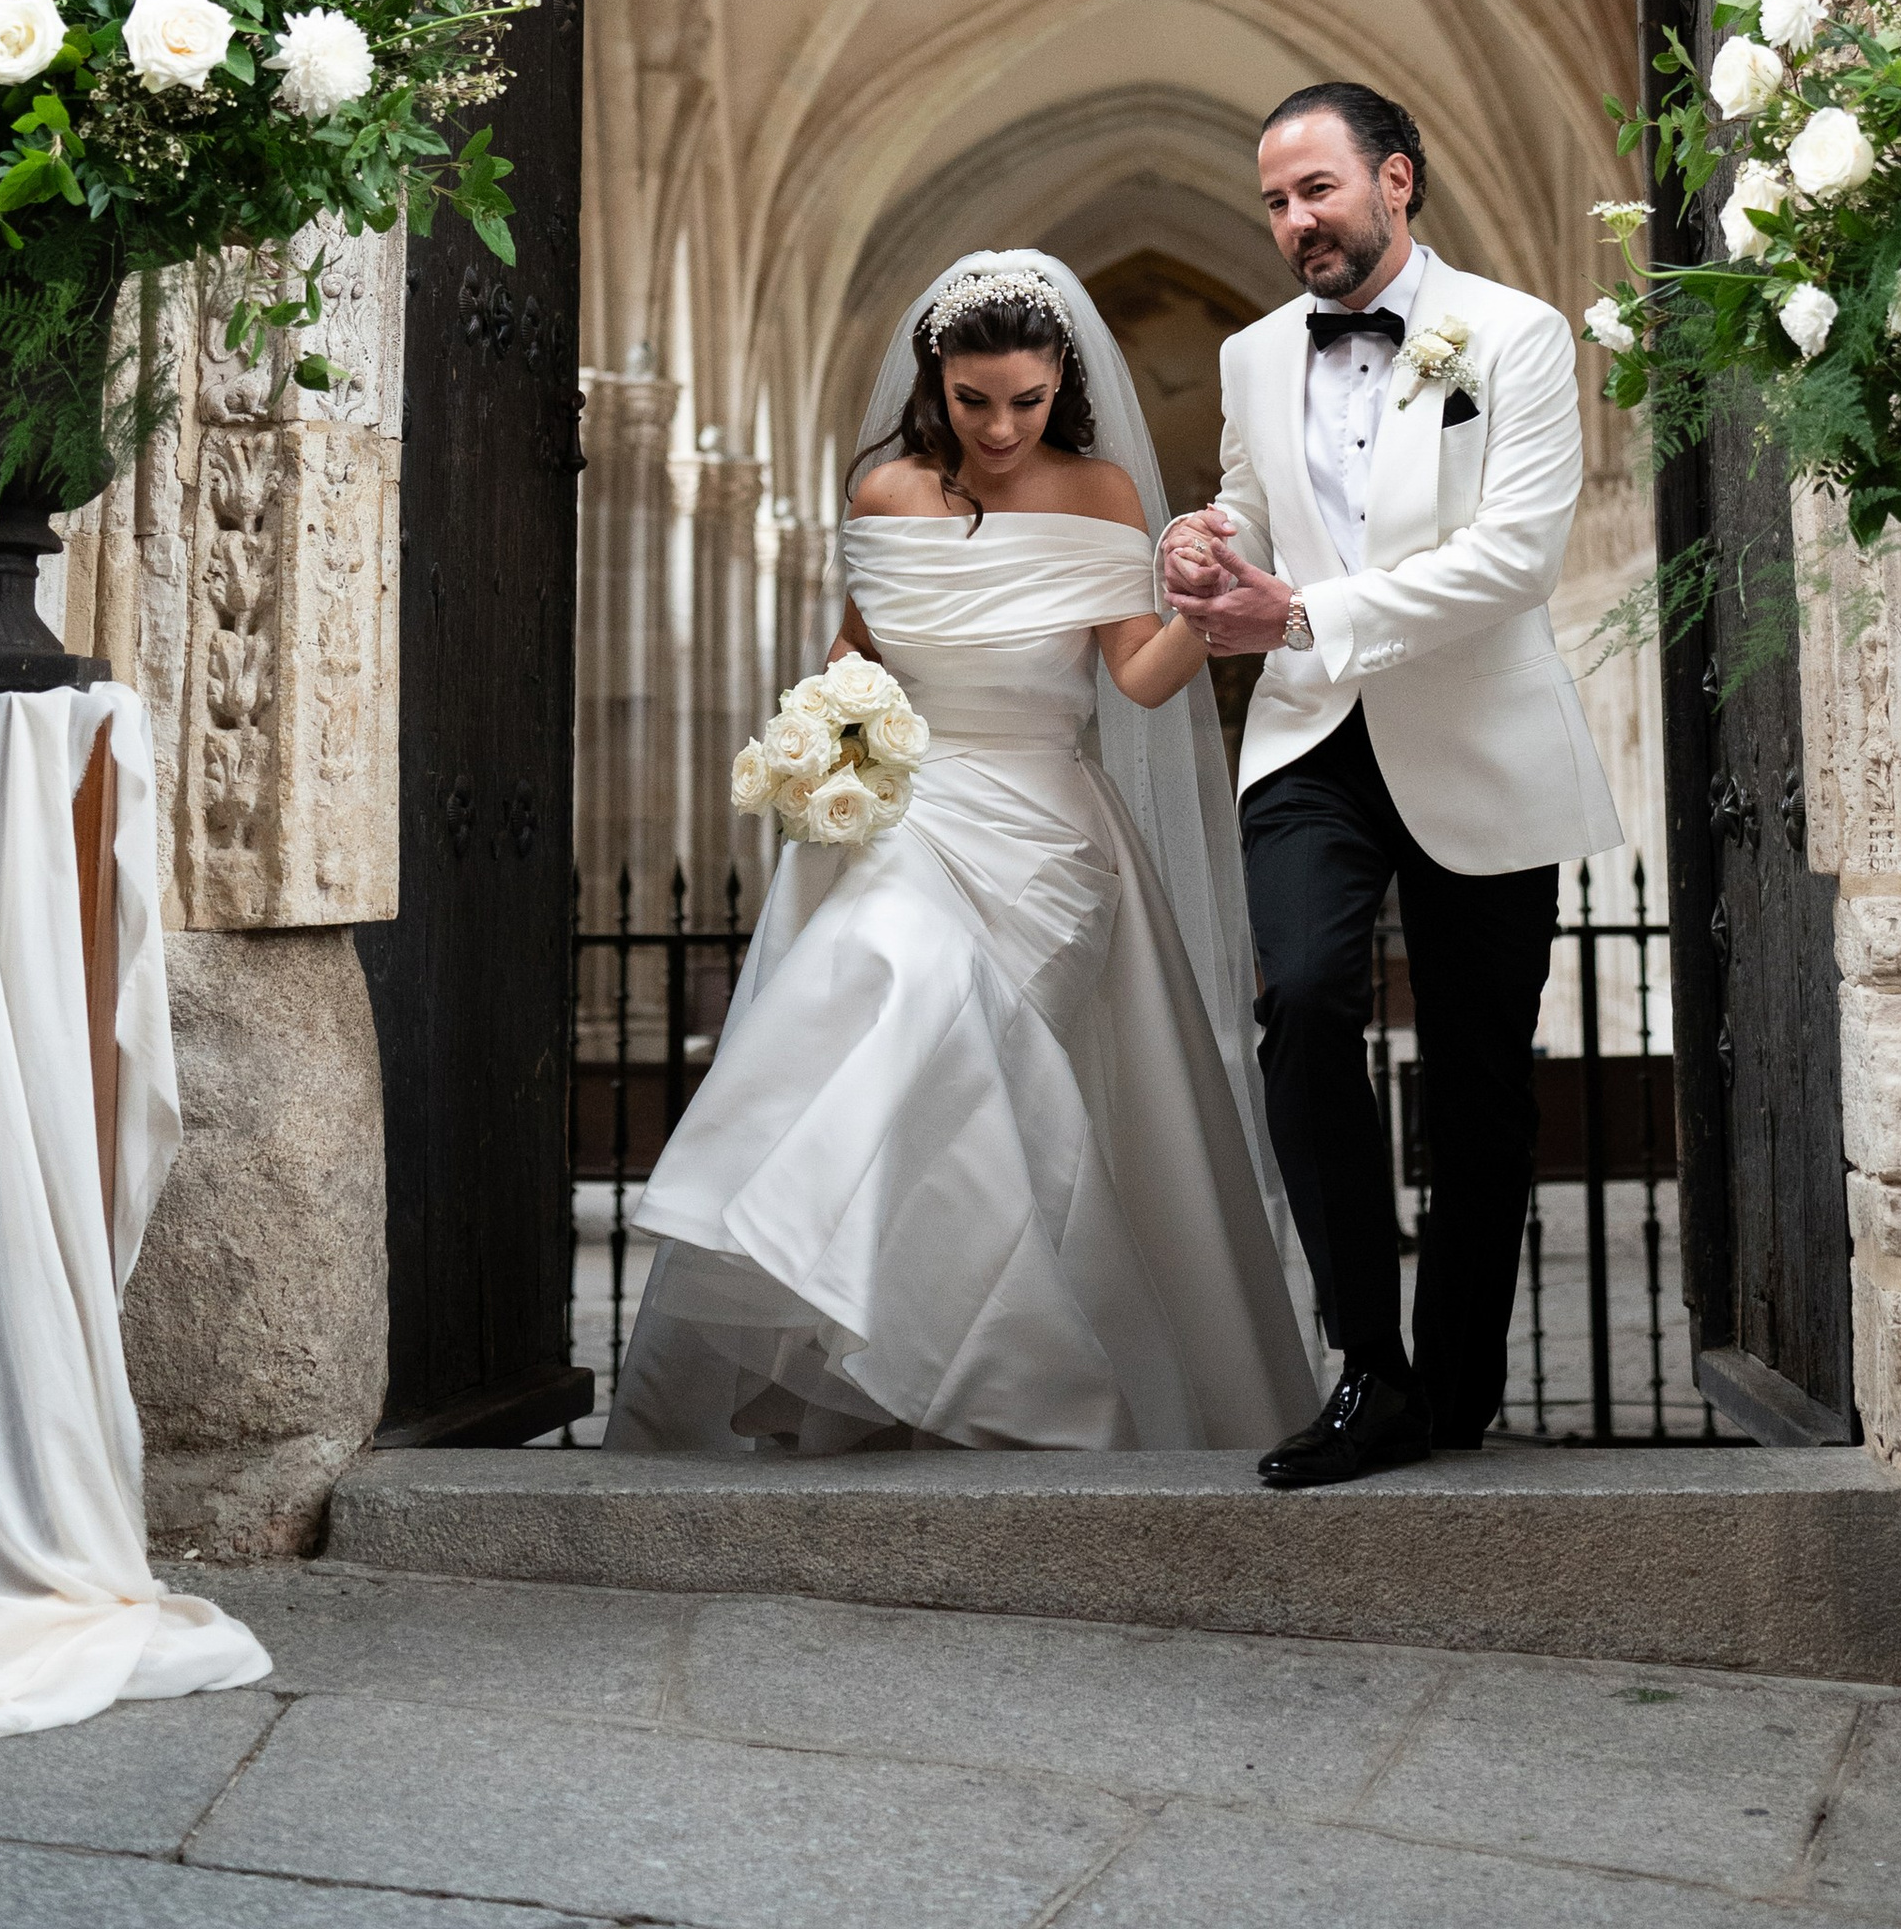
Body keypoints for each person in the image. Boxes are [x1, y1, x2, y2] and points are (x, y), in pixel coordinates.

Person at [604, 251, 1318, 1455]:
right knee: (889, 973)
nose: (997, 424)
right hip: (914, 816)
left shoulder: (1098, 493)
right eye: (974, 397)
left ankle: (954, 1373)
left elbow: (1136, 681)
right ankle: (923, 1361)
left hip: (1046, 829)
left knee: (971, 1068)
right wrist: (819, 740)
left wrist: (1212, 615)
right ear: (936, 376)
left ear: (1061, 385)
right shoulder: (884, 492)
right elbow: (854, 659)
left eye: (1024, 400)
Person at [1164, 83, 1623, 1487]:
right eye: (1277, 202)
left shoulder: (1519, 335)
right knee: (1301, 999)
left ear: (1397, 181)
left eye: (1318, 190)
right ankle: (1367, 1365)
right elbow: (1254, 499)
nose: (1296, 221)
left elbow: (1519, 560)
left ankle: (1458, 1381)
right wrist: (1205, 544)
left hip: (1476, 737)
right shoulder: (1251, 355)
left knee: (1484, 1078)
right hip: (1312, 738)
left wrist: (1300, 613)